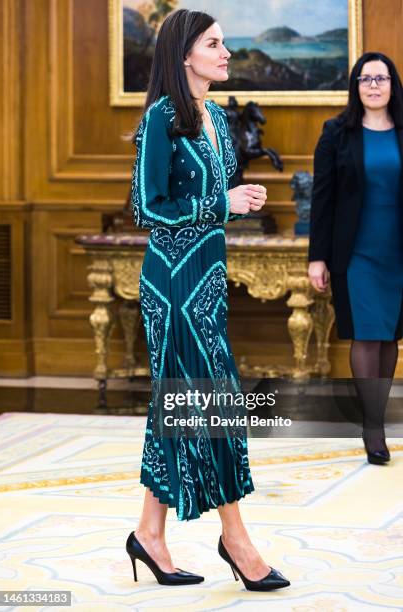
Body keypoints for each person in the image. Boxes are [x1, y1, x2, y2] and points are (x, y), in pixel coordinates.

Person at [126, 9, 290, 592]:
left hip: (208, 279)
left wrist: (232, 196)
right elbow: (148, 206)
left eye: (224, 43)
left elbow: (214, 196)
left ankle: (149, 532)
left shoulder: (217, 118)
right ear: (185, 54)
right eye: (214, 44)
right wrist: (225, 204)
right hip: (172, 285)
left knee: (182, 403)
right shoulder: (161, 120)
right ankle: (238, 542)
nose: (225, 52)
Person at [308, 51, 403, 465]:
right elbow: (322, 199)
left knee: (389, 338)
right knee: (366, 335)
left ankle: (375, 417)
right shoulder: (336, 132)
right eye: (366, 79)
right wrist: (317, 258)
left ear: (393, 85)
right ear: (355, 86)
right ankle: (373, 426)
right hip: (356, 251)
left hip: (397, 251)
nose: (374, 86)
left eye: (381, 79)